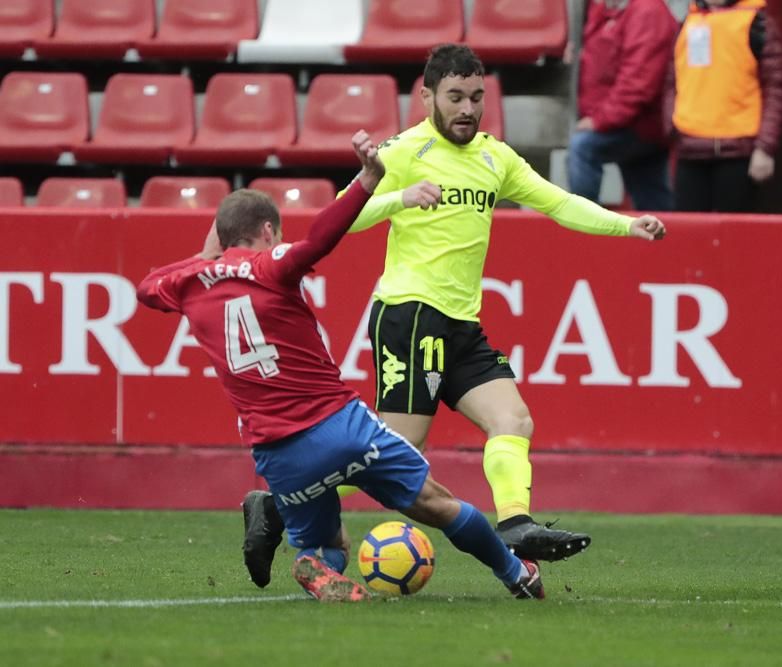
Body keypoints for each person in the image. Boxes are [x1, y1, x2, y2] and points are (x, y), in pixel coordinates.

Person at [241, 44, 666, 589]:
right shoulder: (403, 151)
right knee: (394, 452)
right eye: (455, 97)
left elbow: (558, 202)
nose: (468, 109)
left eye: (476, 97)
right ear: (427, 97)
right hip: (411, 314)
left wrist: (624, 225)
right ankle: (274, 504)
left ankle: (515, 524)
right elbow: (341, 216)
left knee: (513, 420)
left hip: (461, 324)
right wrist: (399, 197)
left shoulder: (496, 157)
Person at [136, 131, 544, 601]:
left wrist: (205, 257)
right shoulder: (272, 265)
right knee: (437, 502)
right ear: (268, 232)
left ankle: (313, 562)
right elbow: (320, 239)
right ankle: (516, 573)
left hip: (276, 452)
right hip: (339, 425)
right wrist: (368, 181)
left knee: (329, 541)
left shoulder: (187, 283)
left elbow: (148, 286)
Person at [663, 0, 782, 212]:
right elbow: (672, 82)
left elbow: (775, 89)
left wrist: (765, 148)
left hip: (738, 154)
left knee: (736, 239)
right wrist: (672, 126)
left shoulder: (757, 24)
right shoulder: (688, 22)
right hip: (690, 151)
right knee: (689, 238)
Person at [567, 0, 678, 211]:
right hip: (626, 120)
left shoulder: (648, 12)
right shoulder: (611, 9)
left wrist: (600, 120)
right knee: (653, 202)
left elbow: (638, 82)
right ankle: (667, 241)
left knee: (582, 146)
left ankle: (583, 227)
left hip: (638, 124)